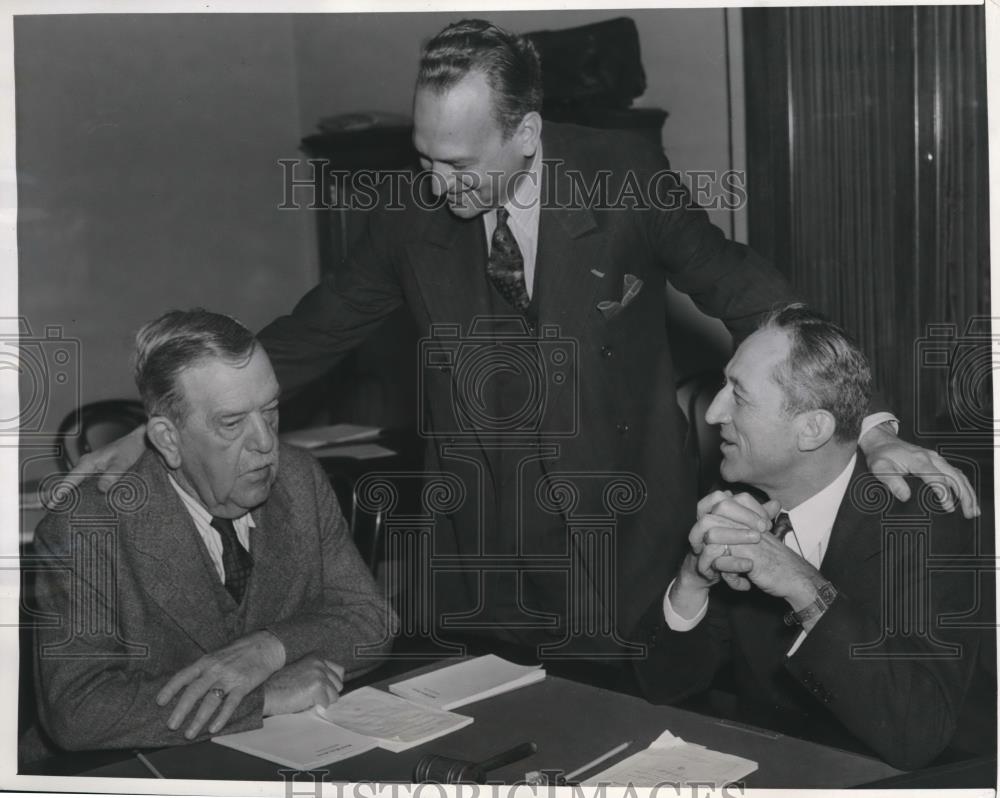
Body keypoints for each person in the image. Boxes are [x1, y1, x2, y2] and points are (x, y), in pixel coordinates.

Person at [69, 20, 976, 657]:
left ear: (528, 134)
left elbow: (758, 297)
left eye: (459, 163)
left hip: (626, 540)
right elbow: (312, 334)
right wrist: (162, 431)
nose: (437, 183)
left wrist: (870, 428)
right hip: (482, 550)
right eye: (424, 157)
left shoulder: (623, 179)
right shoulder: (410, 215)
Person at [632, 305, 987, 770]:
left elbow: (919, 732)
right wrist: (692, 579)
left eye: (739, 395)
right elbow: (661, 685)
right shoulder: (737, 498)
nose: (714, 412)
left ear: (812, 429)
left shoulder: (921, 520)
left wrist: (803, 586)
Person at [32, 310, 395, 750]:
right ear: (168, 440)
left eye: (271, 411)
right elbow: (78, 710)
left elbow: (372, 621)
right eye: (232, 423)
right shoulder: (85, 528)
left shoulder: (299, 480)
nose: (265, 442)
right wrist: (263, 697)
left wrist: (270, 649)